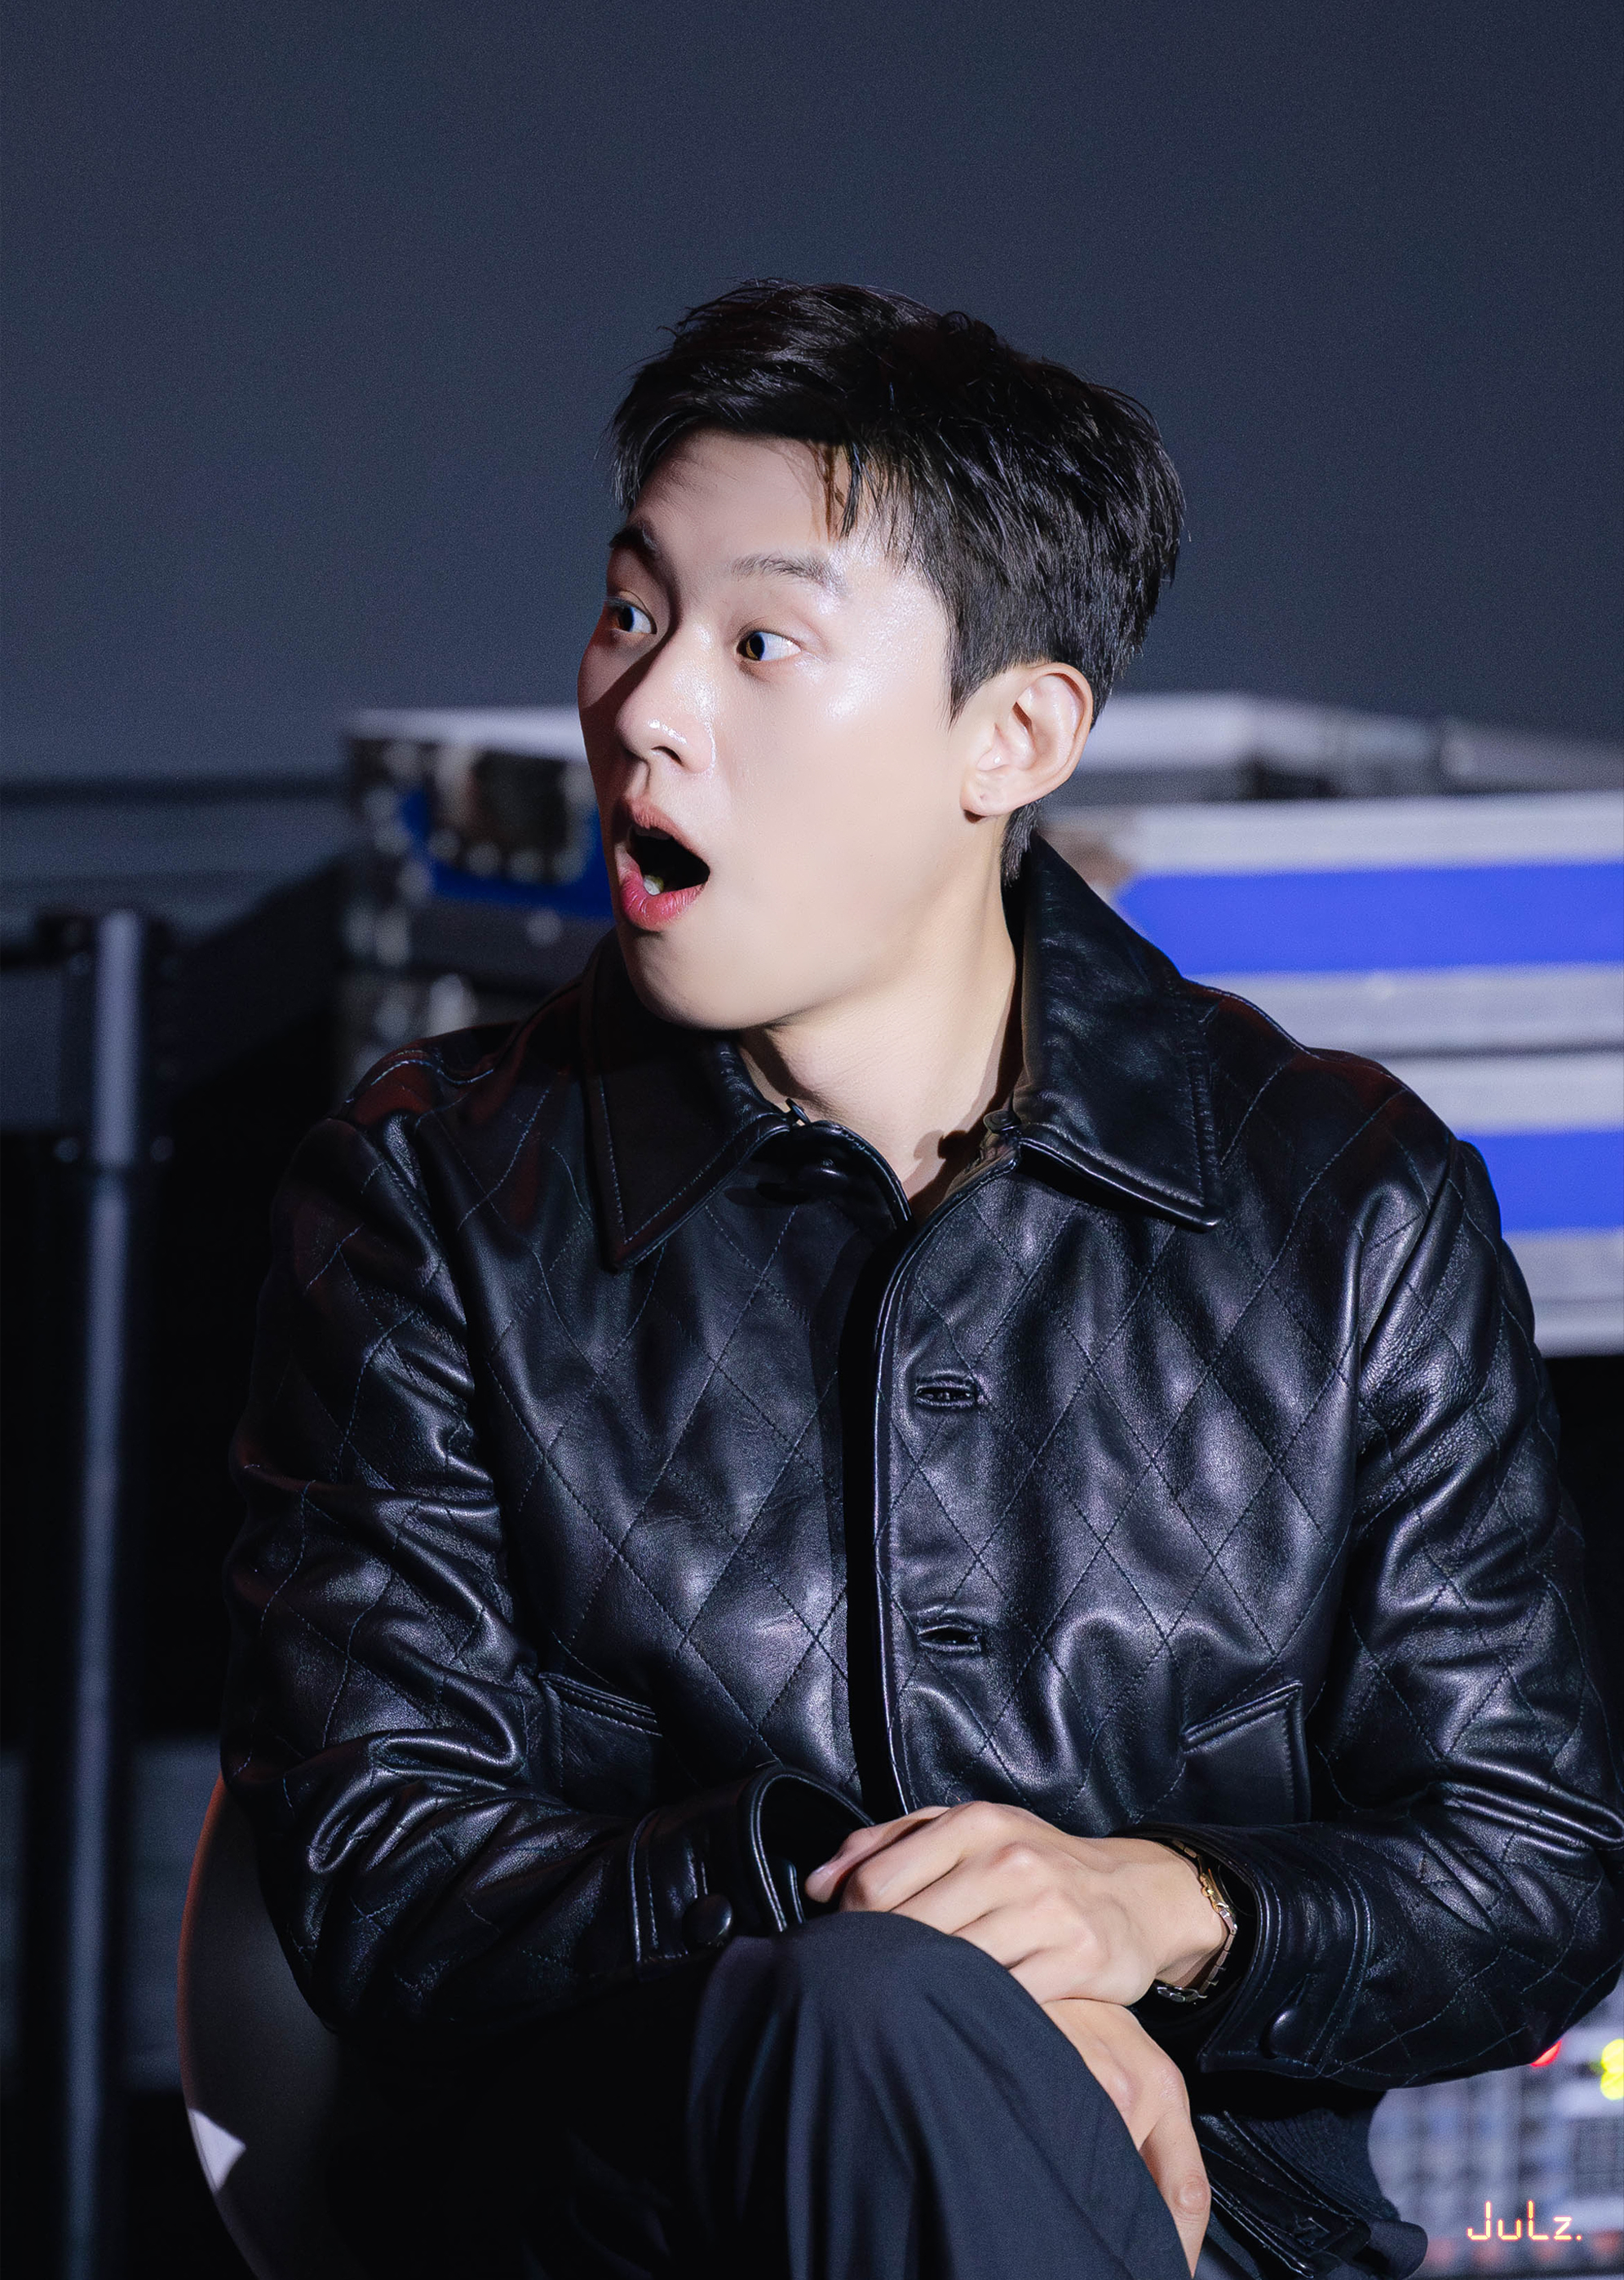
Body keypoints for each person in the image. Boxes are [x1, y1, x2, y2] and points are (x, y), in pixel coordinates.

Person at [222, 282, 1622, 2280]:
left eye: (759, 643)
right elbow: (384, 1875)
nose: (644, 706)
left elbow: (1531, 1862)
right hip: (639, 2211)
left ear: (1014, 735)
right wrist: (925, 1963)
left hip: (1201, 2226)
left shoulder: (1346, 1205)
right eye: (631, 613)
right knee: (871, 2019)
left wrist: (1156, 1912)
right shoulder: (431, 1198)